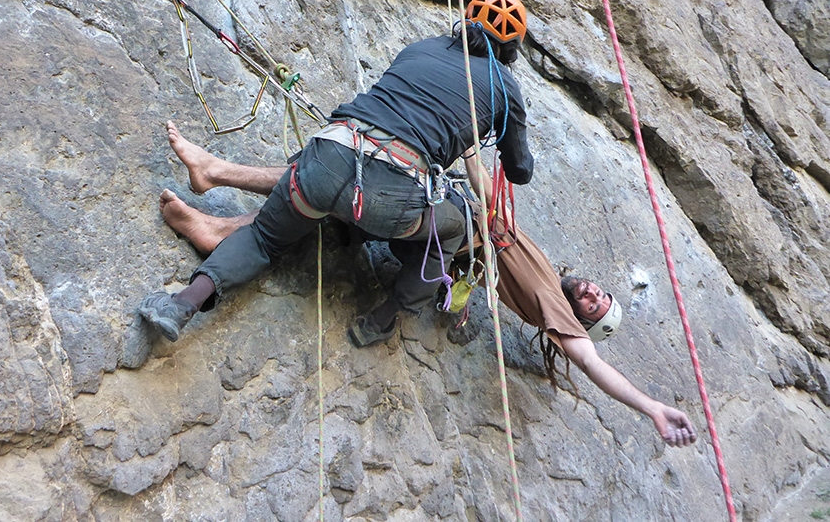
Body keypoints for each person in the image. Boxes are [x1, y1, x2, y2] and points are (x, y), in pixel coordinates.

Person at [151, 128, 698, 448]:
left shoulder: (550, 305)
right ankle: (219, 225)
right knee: (336, 187)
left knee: (345, 175)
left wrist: (650, 406)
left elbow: (591, 362)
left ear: (578, 324)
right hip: (436, 232)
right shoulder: (544, 272)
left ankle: (217, 179)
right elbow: (493, 213)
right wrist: (467, 161)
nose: (595, 294)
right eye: (603, 294)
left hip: (437, 229)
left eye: (596, 308)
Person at [139, 0, 536, 347]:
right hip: (394, 192)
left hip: (332, 152)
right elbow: (519, 170)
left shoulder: (423, 47)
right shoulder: (505, 87)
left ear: (465, 20)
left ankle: (179, 306)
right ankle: (384, 320)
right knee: (457, 225)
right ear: (512, 49)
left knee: (264, 238)